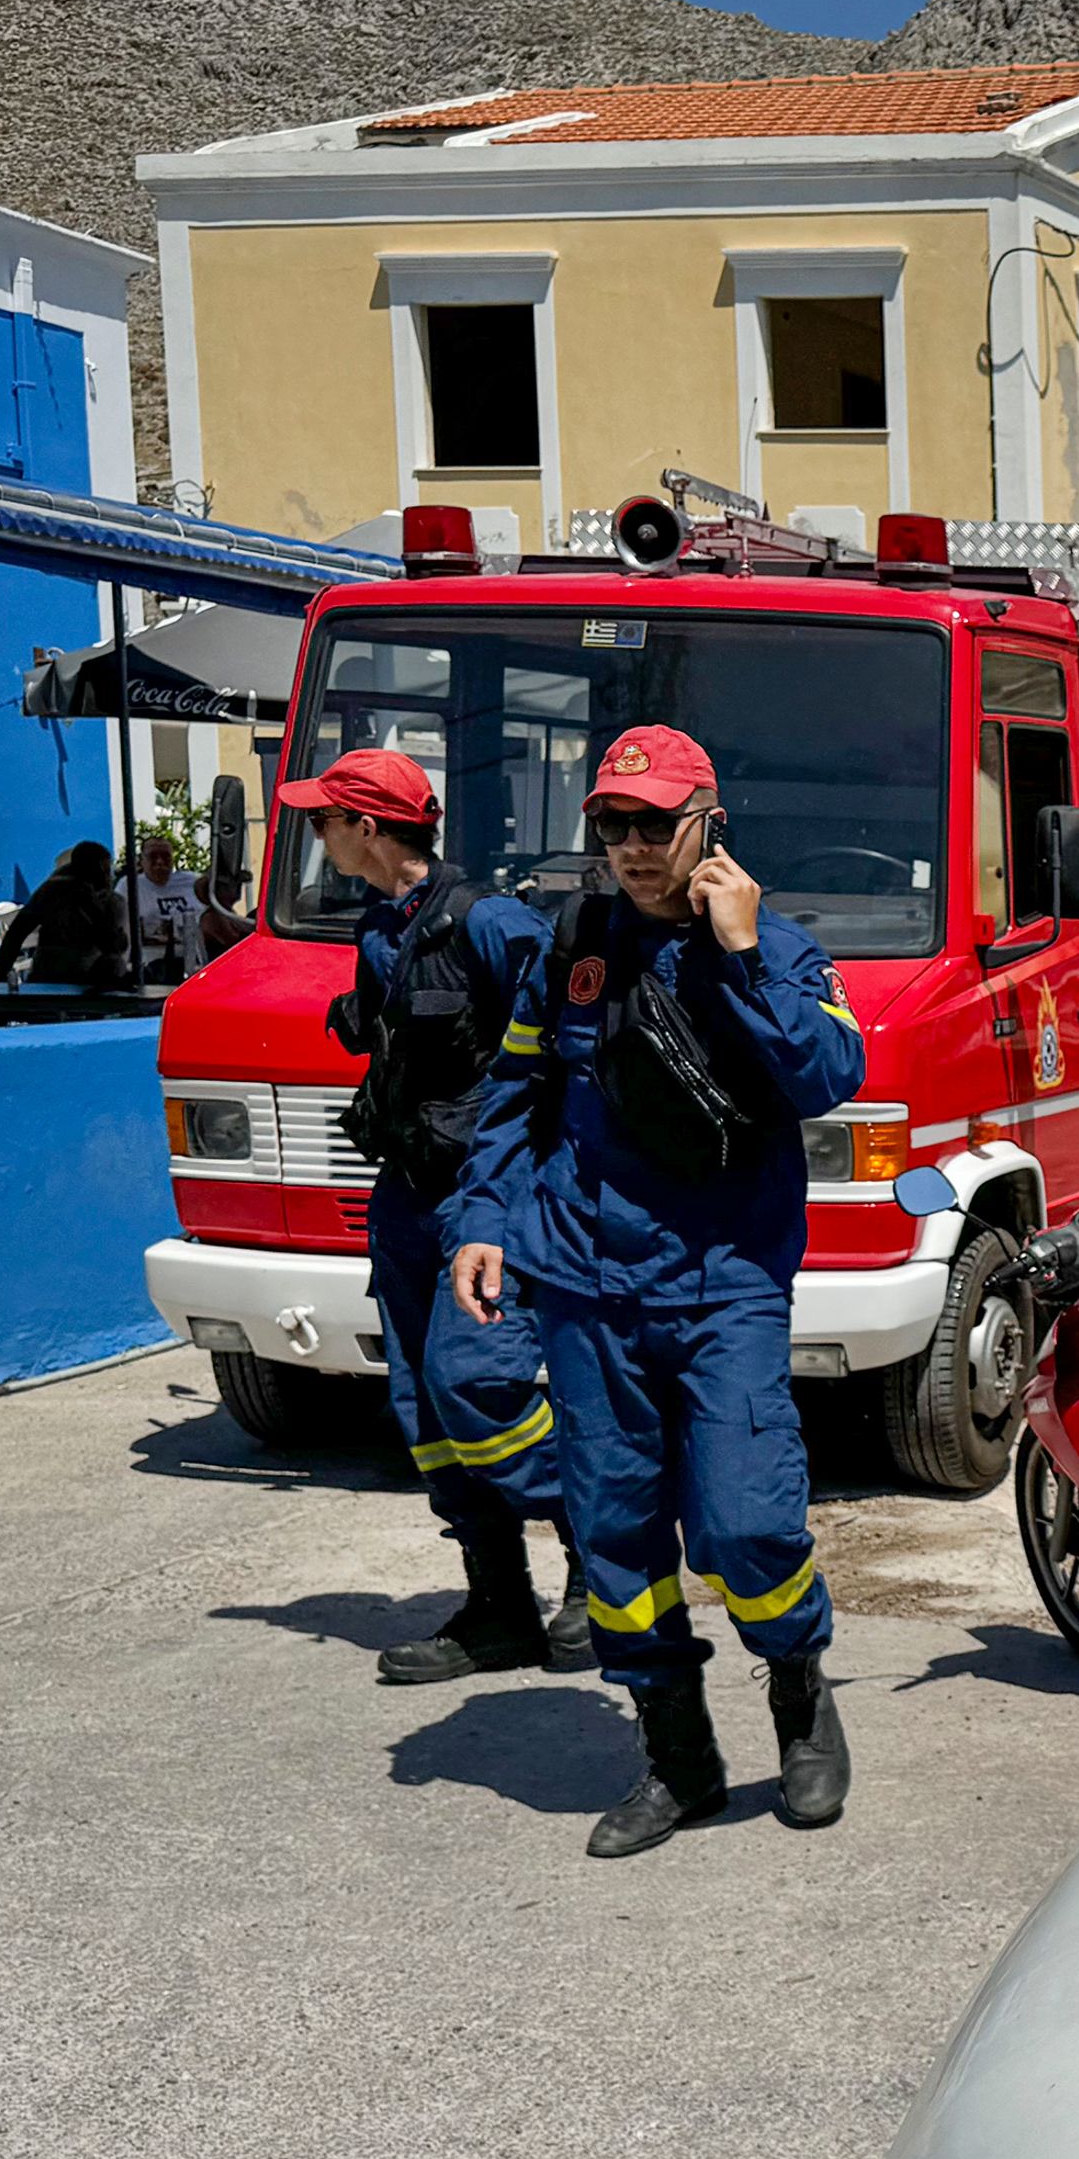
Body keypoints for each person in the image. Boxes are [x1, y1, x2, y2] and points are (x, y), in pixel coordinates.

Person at [451, 725, 866, 1859]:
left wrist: (735, 958)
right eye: (613, 825)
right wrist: (484, 1221)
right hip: (589, 1286)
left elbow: (831, 1076)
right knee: (620, 1539)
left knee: (745, 1521)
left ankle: (800, 1702)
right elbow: (517, 1091)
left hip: (723, 1284)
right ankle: (677, 1761)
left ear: (707, 823)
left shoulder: (775, 945)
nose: (634, 847)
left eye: (656, 823)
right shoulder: (573, 944)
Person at [283, 744, 588, 1687]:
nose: (318, 832)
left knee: (482, 1385)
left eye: (326, 818)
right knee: (424, 1407)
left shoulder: (498, 926)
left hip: (482, 1203)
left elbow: (559, 1067)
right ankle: (498, 1606)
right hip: (408, 1198)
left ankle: (602, 1564)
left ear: (368, 827)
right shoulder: (382, 929)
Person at [0, 842, 134, 991]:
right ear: (100, 869)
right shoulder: (58, 891)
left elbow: (15, 934)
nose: (110, 877)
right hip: (73, 974)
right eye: (107, 870)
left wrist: (0, 977)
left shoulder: (51, 889)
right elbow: (112, 945)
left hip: (52, 973)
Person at [131, 833, 204, 986]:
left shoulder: (192, 881)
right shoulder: (130, 885)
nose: (159, 862)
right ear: (141, 860)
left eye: (165, 857)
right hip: (151, 965)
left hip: (195, 962)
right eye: (153, 857)